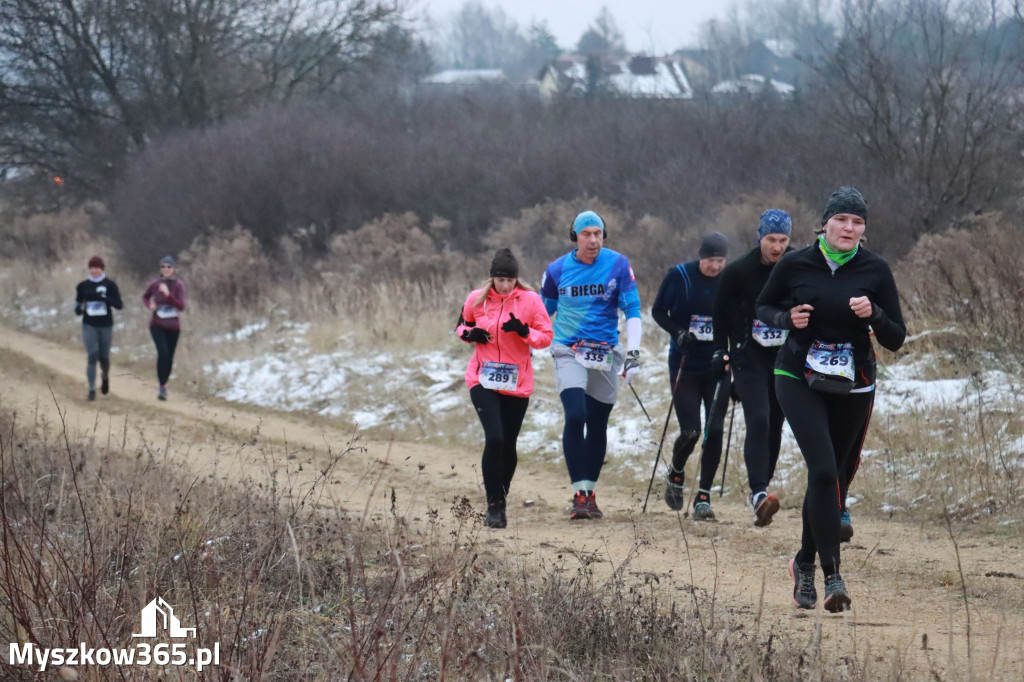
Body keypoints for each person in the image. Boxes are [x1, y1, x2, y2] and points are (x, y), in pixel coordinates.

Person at [756, 187, 905, 612]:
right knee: (822, 467)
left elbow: (896, 336)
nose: (850, 228)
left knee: (832, 477)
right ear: (825, 224)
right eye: (842, 220)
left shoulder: (875, 269)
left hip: (852, 381)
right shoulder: (794, 263)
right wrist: (787, 318)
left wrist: (873, 315)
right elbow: (763, 307)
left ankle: (803, 562)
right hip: (797, 373)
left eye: (858, 222)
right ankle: (832, 577)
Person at [541, 210, 642, 520]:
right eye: (586, 234)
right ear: (576, 237)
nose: (593, 239)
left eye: (598, 233)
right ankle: (577, 495)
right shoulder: (557, 270)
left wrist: (634, 354)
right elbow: (542, 315)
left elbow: (633, 309)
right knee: (575, 414)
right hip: (568, 350)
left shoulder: (618, 264)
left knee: (597, 423)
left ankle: (589, 493)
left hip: (605, 352)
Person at [455, 248, 553, 529]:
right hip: (482, 378)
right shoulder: (477, 299)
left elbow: (546, 337)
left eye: (509, 280)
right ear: (492, 278)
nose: (505, 285)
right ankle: (493, 504)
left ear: (516, 279)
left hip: (516, 381)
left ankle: (501, 494)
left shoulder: (531, 301)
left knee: (509, 443)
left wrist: (524, 332)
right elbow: (462, 326)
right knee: (495, 438)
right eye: (500, 279)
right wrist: (469, 334)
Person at [711, 210, 793, 526]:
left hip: (783, 357)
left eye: (783, 240)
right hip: (747, 356)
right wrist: (721, 350)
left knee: (774, 423)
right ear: (760, 237)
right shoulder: (739, 271)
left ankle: (761, 492)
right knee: (757, 418)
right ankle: (759, 492)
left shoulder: (794, 266)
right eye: (771, 240)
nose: (777, 247)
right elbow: (719, 311)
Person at [652, 232, 730, 520]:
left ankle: (703, 497)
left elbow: (738, 318)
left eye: (720, 261)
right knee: (692, 431)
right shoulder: (679, 276)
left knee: (715, 429)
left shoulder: (728, 279)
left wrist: (731, 350)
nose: (714, 267)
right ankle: (676, 472)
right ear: (701, 257)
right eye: (710, 260)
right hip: (684, 362)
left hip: (716, 364)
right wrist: (678, 332)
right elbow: (658, 311)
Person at [74, 255, 123, 401]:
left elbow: (119, 305)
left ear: (102, 269)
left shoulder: (110, 285)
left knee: (104, 357)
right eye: (92, 267)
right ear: (89, 269)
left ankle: (105, 377)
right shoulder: (83, 286)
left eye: (97, 268)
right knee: (92, 355)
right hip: (89, 324)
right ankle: (91, 389)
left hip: (106, 325)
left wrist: (105, 299)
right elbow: (77, 306)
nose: (94, 270)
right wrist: (80, 308)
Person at [142, 256, 187, 401]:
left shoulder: (178, 285)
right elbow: (145, 297)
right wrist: (150, 306)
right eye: (163, 267)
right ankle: (162, 387)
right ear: (160, 269)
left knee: (169, 357)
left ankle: (164, 383)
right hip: (157, 325)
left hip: (173, 326)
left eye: (169, 267)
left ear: (174, 269)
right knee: (163, 354)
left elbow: (181, 306)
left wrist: (168, 295)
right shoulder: (155, 284)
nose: (166, 269)